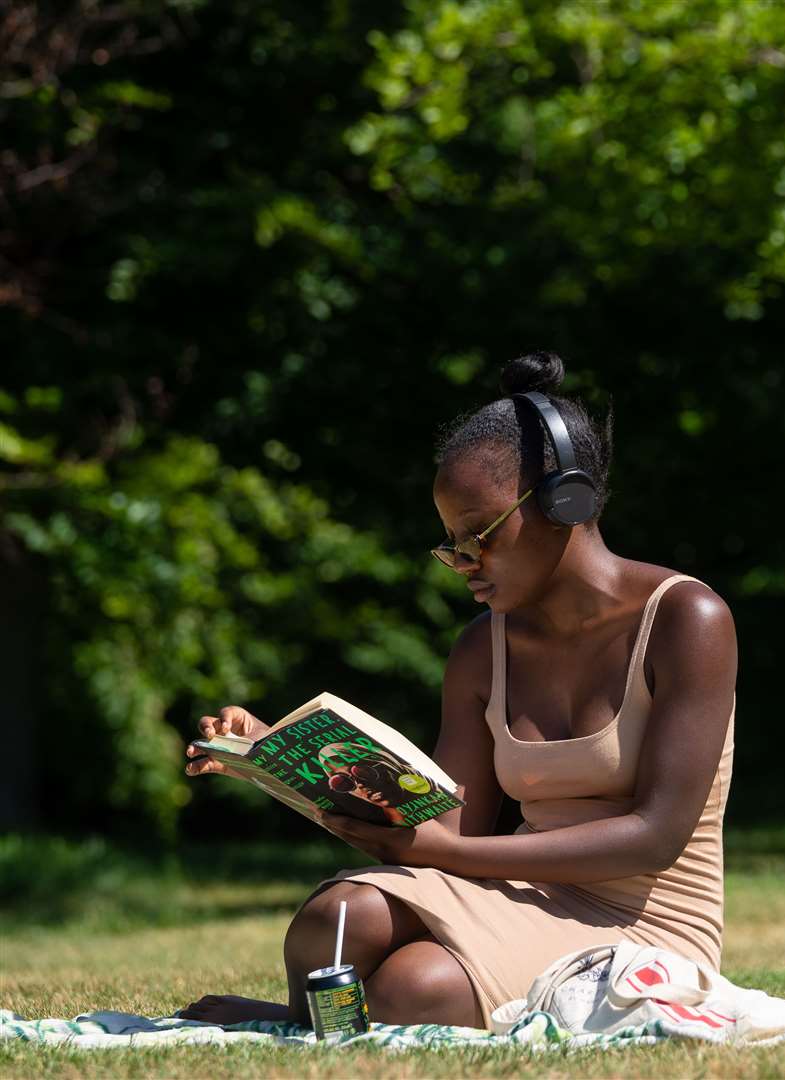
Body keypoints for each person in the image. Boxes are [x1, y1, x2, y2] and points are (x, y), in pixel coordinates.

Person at [178, 351, 738, 1029]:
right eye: (450, 542)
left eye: (480, 535)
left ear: (569, 501)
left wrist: (449, 855)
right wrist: (277, 757)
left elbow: (653, 837)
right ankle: (313, 1026)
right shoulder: (483, 646)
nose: (463, 563)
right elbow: (445, 826)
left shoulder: (687, 618)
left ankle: (305, 1026)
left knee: (415, 989)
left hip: (647, 925)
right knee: (335, 916)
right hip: (521, 895)